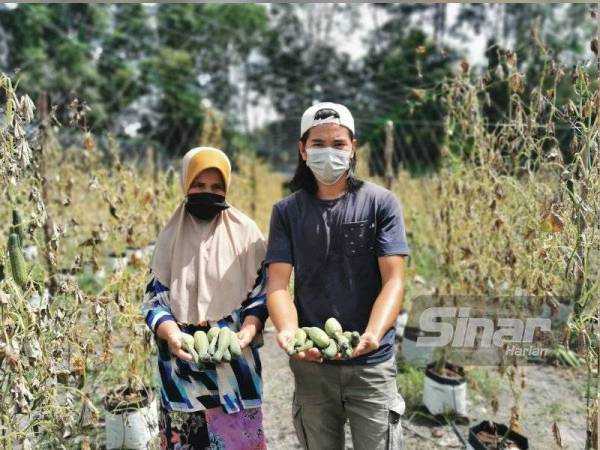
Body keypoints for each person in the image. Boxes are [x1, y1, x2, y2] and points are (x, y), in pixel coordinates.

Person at [265, 103, 409, 449]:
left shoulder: (380, 203)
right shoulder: (287, 212)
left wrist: (373, 333)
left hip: (371, 365)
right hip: (313, 364)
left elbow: (394, 280)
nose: (328, 152)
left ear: (353, 146)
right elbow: (278, 285)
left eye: (338, 143)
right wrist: (288, 332)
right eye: (317, 144)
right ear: (303, 149)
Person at [141, 147, 268, 450]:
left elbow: (261, 296)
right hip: (182, 371)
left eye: (216, 187)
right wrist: (172, 335)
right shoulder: (169, 237)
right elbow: (153, 302)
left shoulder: (247, 233)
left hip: (235, 369)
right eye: (198, 186)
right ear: (185, 185)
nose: (206, 193)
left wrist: (246, 333)